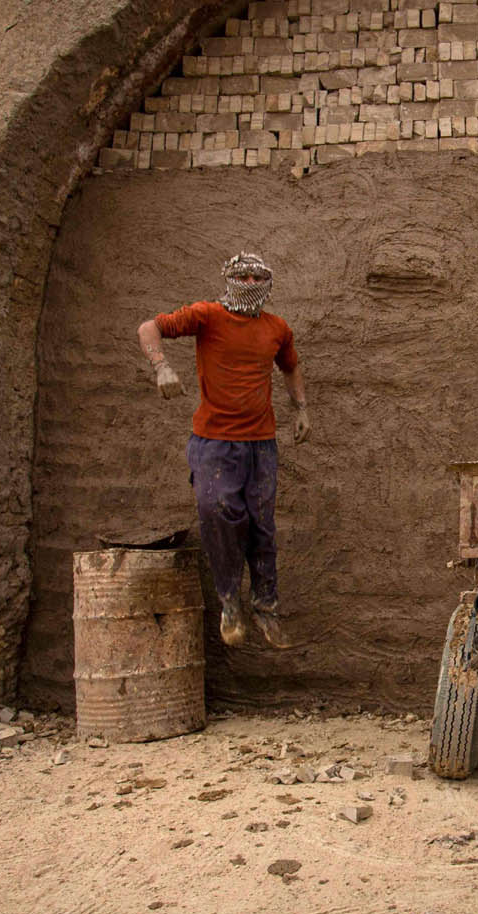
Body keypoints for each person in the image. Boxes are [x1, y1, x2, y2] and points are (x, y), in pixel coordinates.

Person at [136, 252, 308, 649]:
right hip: (214, 441)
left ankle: (266, 606)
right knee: (218, 511)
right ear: (229, 279)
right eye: (242, 276)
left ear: (267, 283)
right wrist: (161, 366)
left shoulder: (277, 328)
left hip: (261, 444)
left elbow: (290, 366)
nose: (249, 282)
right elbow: (150, 327)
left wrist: (301, 410)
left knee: (261, 524)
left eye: (257, 277)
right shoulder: (207, 315)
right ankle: (230, 600)